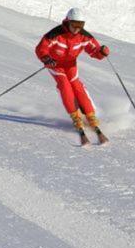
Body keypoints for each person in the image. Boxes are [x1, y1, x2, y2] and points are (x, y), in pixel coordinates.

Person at [35, 8, 110, 145]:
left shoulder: (84, 36)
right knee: (64, 85)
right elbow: (41, 48)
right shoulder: (55, 34)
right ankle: (76, 117)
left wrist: (102, 52)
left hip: (70, 65)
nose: (77, 29)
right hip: (55, 64)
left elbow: (94, 50)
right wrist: (46, 58)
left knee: (77, 86)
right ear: (68, 22)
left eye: (80, 25)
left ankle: (90, 116)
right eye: (74, 24)